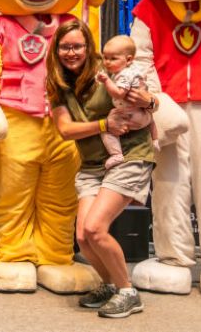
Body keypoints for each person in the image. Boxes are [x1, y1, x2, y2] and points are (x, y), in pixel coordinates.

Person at [45, 20, 156, 319]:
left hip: (129, 155)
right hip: (93, 164)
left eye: (77, 46)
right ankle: (109, 284)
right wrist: (105, 124)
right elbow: (65, 130)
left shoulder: (107, 68)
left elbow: (145, 98)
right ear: (56, 50)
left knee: (95, 228)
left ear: (88, 46)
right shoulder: (58, 83)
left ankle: (128, 292)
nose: (71, 52)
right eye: (65, 47)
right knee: (83, 236)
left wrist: (151, 101)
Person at [96, 35, 160, 169]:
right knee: (150, 118)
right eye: (105, 57)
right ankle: (155, 140)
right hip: (144, 116)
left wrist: (106, 81)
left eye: (113, 58)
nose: (107, 62)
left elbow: (119, 94)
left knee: (106, 130)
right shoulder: (135, 69)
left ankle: (116, 154)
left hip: (130, 116)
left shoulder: (124, 75)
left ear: (129, 59)